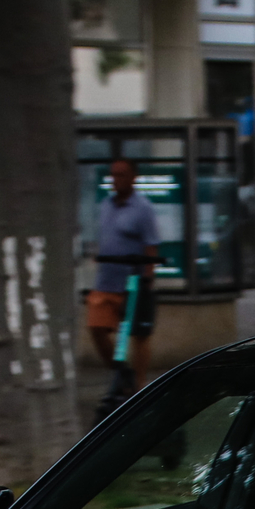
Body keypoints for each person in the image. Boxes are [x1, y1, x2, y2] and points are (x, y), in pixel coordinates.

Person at [88, 157, 162, 407]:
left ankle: (138, 384)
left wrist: (147, 278)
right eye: (113, 175)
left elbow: (151, 244)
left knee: (138, 336)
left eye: (121, 175)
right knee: (96, 328)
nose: (115, 180)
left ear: (133, 177)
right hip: (106, 280)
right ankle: (122, 372)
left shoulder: (143, 208)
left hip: (131, 282)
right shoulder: (106, 204)